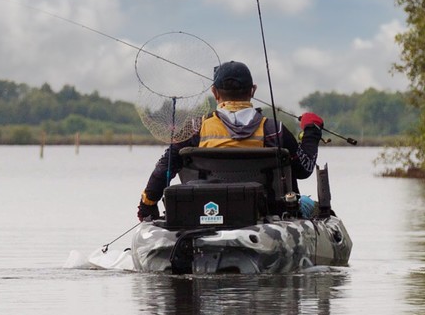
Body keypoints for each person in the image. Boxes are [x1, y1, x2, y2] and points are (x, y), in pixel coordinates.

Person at [136, 61, 324, 221]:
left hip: (203, 212)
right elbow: (304, 169)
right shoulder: (275, 130)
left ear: (215, 93)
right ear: (253, 91)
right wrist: (311, 132)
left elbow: (164, 168)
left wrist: (148, 205)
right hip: (266, 216)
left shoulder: (194, 128)